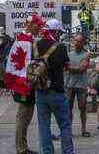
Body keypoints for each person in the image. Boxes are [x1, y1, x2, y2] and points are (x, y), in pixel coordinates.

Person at [35, 19, 74, 154]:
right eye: (59, 32)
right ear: (55, 31)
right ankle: (67, 151)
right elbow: (67, 67)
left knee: (44, 125)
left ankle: (47, 151)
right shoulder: (61, 47)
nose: (60, 35)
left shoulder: (36, 45)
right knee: (64, 125)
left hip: (40, 91)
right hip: (57, 90)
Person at [12, 14, 43, 154]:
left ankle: (22, 146)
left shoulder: (25, 38)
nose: (40, 27)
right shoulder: (26, 40)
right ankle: (21, 148)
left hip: (24, 83)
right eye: (38, 24)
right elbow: (27, 65)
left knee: (26, 116)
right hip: (24, 84)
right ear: (30, 25)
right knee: (23, 117)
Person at [66, 33, 91, 138]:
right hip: (70, 84)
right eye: (76, 41)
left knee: (83, 107)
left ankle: (84, 129)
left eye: (79, 41)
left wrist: (70, 68)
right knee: (68, 108)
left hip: (81, 85)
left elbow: (82, 69)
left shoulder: (86, 54)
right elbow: (65, 67)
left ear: (83, 43)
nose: (77, 43)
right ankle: (69, 130)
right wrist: (75, 68)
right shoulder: (69, 54)